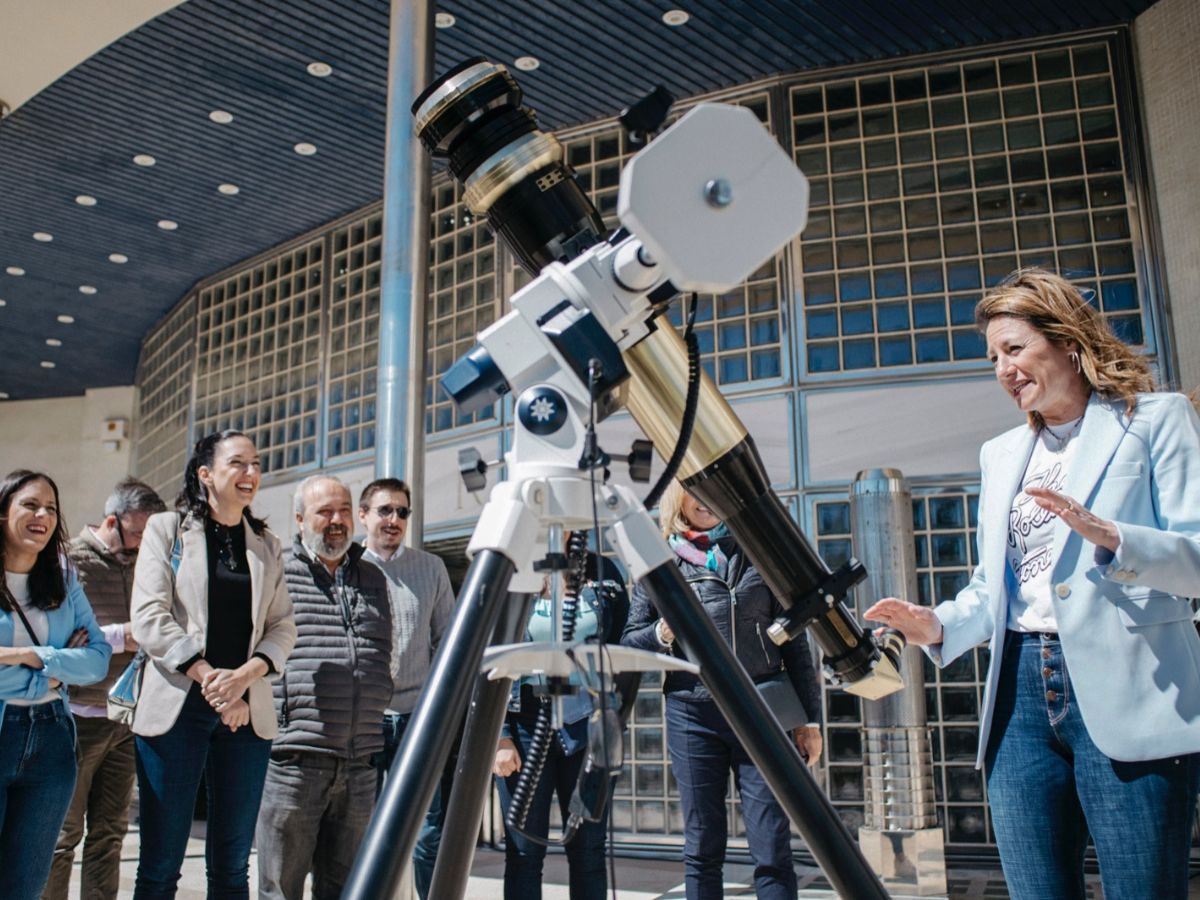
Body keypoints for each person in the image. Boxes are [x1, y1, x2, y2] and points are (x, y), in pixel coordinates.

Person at [865, 268, 1200, 900]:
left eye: (1014, 349)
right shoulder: (1000, 453)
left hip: (1132, 684)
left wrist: (1115, 538)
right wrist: (939, 623)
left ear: (1068, 342)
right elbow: (998, 585)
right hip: (1019, 692)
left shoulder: (1157, 419)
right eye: (993, 356)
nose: (1002, 368)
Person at [622, 480, 822, 900]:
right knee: (702, 843)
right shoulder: (660, 564)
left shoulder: (758, 555)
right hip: (693, 714)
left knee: (771, 842)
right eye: (696, 493)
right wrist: (661, 632)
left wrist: (809, 720)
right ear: (679, 499)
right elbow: (629, 641)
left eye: (715, 493)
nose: (707, 503)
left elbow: (797, 644)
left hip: (762, 708)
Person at [130, 431, 295, 900]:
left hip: (246, 713)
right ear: (206, 474)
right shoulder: (167, 529)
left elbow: (283, 626)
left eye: (256, 464)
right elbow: (149, 616)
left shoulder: (266, 542)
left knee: (231, 866)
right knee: (161, 864)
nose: (250, 474)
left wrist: (244, 679)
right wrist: (209, 678)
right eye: (238, 464)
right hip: (177, 707)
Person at [255, 476, 393, 900]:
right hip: (294, 760)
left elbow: (380, 654)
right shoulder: (275, 571)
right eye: (324, 512)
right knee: (282, 888)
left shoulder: (372, 577)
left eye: (344, 510)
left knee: (348, 889)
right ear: (299, 520)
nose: (337, 521)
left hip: (359, 762)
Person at [44, 477, 166, 900]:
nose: (142, 543)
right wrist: (118, 636)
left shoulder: (145, 561)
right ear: (112, 521)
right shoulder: (66, 561)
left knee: (110, 834)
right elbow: (57, 638)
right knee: (61, 835)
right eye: (136, 533)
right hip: (76, 717)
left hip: (126, 718)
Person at [491, 535, 629, 900]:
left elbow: (624, 647)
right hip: (523, 726)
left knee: (588, 850)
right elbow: (487, 655)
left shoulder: (603, 571)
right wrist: (499, 735)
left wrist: (614, 721)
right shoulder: (510, 570)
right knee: (523, 852)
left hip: (587, 724)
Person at [0, 470, 112, 900]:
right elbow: (76, 665)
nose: (42, 515)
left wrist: (28, 656)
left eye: (51, 507)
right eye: (30, 504)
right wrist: (54, 671)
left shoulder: (64, 584)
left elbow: (98, 661)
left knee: (24, 888)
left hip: (51, 743)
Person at [358, 477, 455, 899]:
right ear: (364, 515)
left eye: (401, 511)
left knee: (427, 830)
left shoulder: (430, 568)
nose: (394, 519)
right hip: (362, 720)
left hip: (418, 720)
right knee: (361, 829)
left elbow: (447, 641)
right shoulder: (347, 568)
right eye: (384, 510)